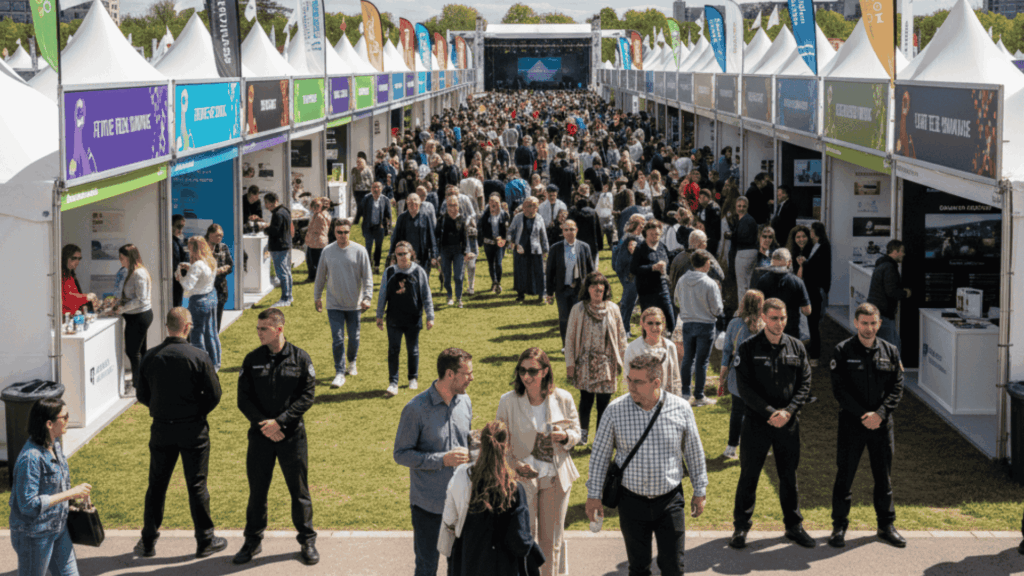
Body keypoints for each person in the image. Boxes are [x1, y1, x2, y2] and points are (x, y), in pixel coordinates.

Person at [585, 353, 708, 576]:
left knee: (674, 567)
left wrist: (700, 491)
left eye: (638, 382)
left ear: (656, 383)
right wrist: (594, 496)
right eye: (629, 380)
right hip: (631, 502)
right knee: (639, 568)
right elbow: (600, 456)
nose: (631, 386)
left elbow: (694, 452)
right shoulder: (615, 411)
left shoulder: (680, 409)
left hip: (670, 501)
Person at [135, 307, 226, 559]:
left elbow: (142, 395)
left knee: (157, 485)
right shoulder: (198, 356)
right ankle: (205, 541)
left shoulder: (150, 356)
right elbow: (215, 395)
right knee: (197, 485)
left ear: (167, 326)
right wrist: (197, 412)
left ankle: (148, 542)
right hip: (192, 429)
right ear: (187, 326)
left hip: (162, 429)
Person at [235, 308, 318, 565]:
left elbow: (307, 396)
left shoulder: (300, 359)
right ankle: (252, 541)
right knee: (257, 492)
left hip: (292, 437)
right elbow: (243, 400)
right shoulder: (251, 360)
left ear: (279, 329)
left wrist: (280, 422)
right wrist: (265, 425)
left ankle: (307, 541)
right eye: (258, 328)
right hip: (261, 437)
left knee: (299, 492)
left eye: (264, 329)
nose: (258, 333)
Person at [730, 298, 815, 550]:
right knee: (749, 475)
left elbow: (805, 384)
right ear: (764, 318)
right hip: (757, 423)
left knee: (789, 476)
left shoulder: (797, 347)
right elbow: (744, 388)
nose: (780, 323)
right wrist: (770, 412)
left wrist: (788, 412)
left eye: (783, 318)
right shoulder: (748, 347)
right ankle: (741, 528)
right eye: (775, 318)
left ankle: (793, 526)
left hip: (788, 424)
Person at [495, 348, 581, 576]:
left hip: (556, 477)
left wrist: (564, 437)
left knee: (551, 539)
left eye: (532, 371)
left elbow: (576, 433)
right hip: (523, 479)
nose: (526, 376)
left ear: (545, 371)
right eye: (522, 370)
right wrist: (515, 466)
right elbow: (500, 443)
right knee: (524, 538)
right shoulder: (508, 401)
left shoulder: (563, 398)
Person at [828, 303, 907, 549]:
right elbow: (839, 390)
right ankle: (839, 526)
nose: (869, 328)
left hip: (882, 426)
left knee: (883, 477)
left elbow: (897, 387)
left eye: (873, 323)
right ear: (855, 323)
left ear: (880, 324)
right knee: (845, 476)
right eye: (864, 323)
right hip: (853, 424)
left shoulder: (891, 351)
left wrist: (880, 414)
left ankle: (886, 526)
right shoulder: (842, 351)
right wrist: (864, 415)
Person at [393, 348, 474, 576]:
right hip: (428, 507)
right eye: (467, 373)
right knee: (427, 567)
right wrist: (442, 460)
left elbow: (465, 443)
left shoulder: (465, 402)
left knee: (458, 567)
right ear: (450, 374)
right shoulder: (415, 409)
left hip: (460, 504)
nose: (471, 378)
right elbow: (401, 454)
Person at [441, 421, 545, 576]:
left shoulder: (464, 484)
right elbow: (519, 540)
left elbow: (451, 527)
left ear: (481, 445)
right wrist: (536, 554)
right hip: (501, 568)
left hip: (468, 566)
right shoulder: (512, 489)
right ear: (507, 446)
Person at [9, 398, 91, 576]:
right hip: (34, 535)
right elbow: (27, 505)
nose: (69, 420)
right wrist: (70, 493)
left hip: (58, 528)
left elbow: (60, 484)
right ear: (49, 423)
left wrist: (72, 500)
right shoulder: (31, 458)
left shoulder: (56, 446)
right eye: (65, 416)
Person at [564, 272, 628, 446]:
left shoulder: (613, 309)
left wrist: (626, 361)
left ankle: (601, 438)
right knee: (586, 400)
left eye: (601, 287)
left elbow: (621, 336)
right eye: (594, 286)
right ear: (588, 289)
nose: (598, 290)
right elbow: (569, 338)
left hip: (607, 363)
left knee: (604, 403)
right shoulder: (578, 309)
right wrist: (570, 364)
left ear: (605, 290)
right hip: (584, 363)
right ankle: (582, 436)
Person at [314, 218, 374, 389]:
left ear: (350, 232)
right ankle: (339, 372)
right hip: (334, 304)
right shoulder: (327, 251)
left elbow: (367, 277)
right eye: (339, 232)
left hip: (355, 304)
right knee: (338, 339)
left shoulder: (360, 251)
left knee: (354, 337)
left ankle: (352, 361)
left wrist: (367, 297)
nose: (342, 235)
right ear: (334, 232)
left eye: (346, 232)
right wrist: (317, 297)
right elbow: (320, 276)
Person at [377, 241, 435, 398]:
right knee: (393, 350)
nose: (402, 257)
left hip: (413, 318)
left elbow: (426, 295)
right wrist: (379, 314)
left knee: (413, 349)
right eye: (399, 254)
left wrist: (430, 316)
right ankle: (393, 382)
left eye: (405, 253)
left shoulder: (419, 272)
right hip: (394, 319)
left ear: (412, 254)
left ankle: (412, 377)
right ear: (395, 256)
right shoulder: (389, 272)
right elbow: (383, 294)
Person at [718, 290, 766, 460]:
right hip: (759, 376)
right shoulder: (765, 326)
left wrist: (721, 378)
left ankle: (731, 447)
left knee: (737, 411)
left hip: (737, 375)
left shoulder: (734, 323)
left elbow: (726, 352)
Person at [676, 249, 724, 406]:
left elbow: (676, 300)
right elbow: (718, 309)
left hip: (688, 323)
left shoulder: (682, 280)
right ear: (707, 263)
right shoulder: (710, 283)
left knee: (687, 359)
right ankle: (699, 396)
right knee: (702, 362)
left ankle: (684, 393)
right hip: (705, 324)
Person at [106, 244, 152, 394]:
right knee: (139, 351)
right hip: (135, 316)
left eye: (122, 258)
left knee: (133, 352)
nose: (120, 261)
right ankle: (144, 383)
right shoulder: (130, 272)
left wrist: (121, 309)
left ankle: (138, 386)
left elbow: (141, 300)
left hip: (139, 316)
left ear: (129, 257)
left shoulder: (139, 273)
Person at [175, 237, 221, 371]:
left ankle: (201, 365)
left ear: (193, 248)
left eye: (189, 247)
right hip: (211, 296)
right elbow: (203, 274)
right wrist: (190, 268)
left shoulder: (197, 265)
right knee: (211, 333)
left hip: (199, 301)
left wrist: (180, 276)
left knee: (197, 335)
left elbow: (188, 285)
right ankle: (215, 362)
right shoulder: (210, 260)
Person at [546, 219, 594, 345]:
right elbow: (550, 271)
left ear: (576, 230)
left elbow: (590, 270)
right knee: (564, 318)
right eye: (566, 230)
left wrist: (592, 289)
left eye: (572, 229)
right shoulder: (555, 248)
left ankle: (580, 343)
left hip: (579, 288)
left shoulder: (584, 247)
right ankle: (566, 344)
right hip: (562, 289)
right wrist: (549, 292)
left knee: (580, 317)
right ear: (562, 231)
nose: (569, 232)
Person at [623, 307, 682, 397]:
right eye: (650, 323)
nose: (654, 327)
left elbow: (675, 378)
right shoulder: (633, 348)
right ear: (642, 324)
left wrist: (677, 401)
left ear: (663, 325)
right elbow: (627, 378)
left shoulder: (670, 346)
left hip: (665, 399)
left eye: (658, 323)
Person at [630, 219, 676, 334]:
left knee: (671, 319)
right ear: (646, 234)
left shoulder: (661, 246)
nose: (655, 236)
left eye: (657, 234)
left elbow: (669, 261)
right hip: (647, 291)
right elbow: (634, 269)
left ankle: (669, 342)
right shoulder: (640, 249)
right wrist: (652, 268)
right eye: (652, 234)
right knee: (649, 321)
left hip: (662, 287)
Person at [755, 248, 812, 340]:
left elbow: (757, 307)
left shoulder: (762, 280)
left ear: (772, 261)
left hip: (769, 331)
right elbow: (807, 311)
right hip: (791, 332)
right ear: (789, 262)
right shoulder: (797, 282)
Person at [867, 240, 910, 355]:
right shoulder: (890, 268)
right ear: (895, 252)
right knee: (892, 347)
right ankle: (893, 371)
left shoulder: (882, 265)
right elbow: (891, 292)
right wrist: (905, 293)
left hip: (877, 311)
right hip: (883, 314)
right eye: (902, 251)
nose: (904, 254)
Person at [434, 194, 477, 308]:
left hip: (458, 251)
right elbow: (436, 236)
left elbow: (465, 238)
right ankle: (449, 296)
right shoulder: (442, 219)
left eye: (455, 205)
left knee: (458, 276)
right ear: (446, 206)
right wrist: (436, 254)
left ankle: (459, 298)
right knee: (447, 276)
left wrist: (466, 252)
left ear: (459, 206)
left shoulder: (462, 219)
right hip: (445, 251)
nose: (453, 208)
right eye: (450, 205)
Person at [800, 222, 832, 366]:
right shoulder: (816, 246)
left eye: (811, 231)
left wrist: (805, 263)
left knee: (813, 323)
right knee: (811, 323)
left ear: (815, 232)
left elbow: (818, 267)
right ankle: (812, 352)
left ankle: (815, 355)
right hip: (813, 288)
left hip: (816, 290)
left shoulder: (823, 246)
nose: (810, 233)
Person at [507, 196, 549, 304]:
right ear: (524, 207)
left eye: (534, 206)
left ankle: (541, 294)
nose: (532, 208)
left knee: (539, 272)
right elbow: (510, 232)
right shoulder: (518, 217)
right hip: (520, 249)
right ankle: (520, 295)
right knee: (520, 272)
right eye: (529, 206)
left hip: (535, 249)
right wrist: (512, 245)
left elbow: (543, 236)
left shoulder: (539, 218)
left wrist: (546, 251)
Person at [390, 192, 437, 280]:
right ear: (407, 204)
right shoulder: (402, 218)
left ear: (419, 203)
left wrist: (434, 255)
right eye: (410, 203)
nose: (413, 204)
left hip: (423, 255)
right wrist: (392, 255)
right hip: (406, 256)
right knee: (408, 280)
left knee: (423, 279)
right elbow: (395, 237)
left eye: (415, 202)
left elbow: (431, 236)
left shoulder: (426, 217)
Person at [258, 193, 293, 307]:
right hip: (285, 244)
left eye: (266, 203)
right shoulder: (284, 210)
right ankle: (289, 296)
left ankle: (285, 298)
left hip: (279, 246)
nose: (266, 205)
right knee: (286, 271)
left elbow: (275, 231)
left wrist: (265, 228)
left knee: (282, 273)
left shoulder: (277, 214)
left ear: (271, 202)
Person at [355, 181, 393, 274]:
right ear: (371, 189)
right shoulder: (366, 198)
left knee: (378, 247)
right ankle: (367, 266)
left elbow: (388, 214)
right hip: (368, 227)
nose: (375, 190)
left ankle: (376, 266)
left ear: (381, 189)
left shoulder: (385, 200)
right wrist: (356, 220)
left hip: (379, 227)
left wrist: (389, 226)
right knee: (368, 247)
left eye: (377, 187)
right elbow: (360, 210)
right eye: (373, 187)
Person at [478, 193, 510, 294]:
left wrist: (504, 239)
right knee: (491, 263)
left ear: (499, 203)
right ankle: (494, 282)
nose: (493, 205)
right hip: (489, 242)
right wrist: (482, 240)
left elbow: (507, 229)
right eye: (491, 203)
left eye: (496, 203)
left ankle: (498, 282)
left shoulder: (504, 214)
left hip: (500, 242)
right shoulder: (486, 215)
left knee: (499, 263)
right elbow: (481, 228)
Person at [728, 197, 759, 303]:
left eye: (743, 206)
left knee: (742, 285)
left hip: (744, 252)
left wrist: (732, 235)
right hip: (748, 252)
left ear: (747, 207)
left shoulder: (747, 220)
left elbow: (743, 238)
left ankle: (743, 309)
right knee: (747, 284)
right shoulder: (745, 219)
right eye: (739, 206)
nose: (741, 208)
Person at [204, 225, 234, 330]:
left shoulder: (223, 247)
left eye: (221, 236)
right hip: (205, 289)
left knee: (217, 319)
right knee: (205, 320)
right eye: (217, 235)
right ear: (209, 234)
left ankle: (215, 339)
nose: (219, 238)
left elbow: (230, 265)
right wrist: (216, 271)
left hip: (220, 288)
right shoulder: (201, 248)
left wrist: (224, 269)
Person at [60, 244, 97, 317]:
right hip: (66, 317)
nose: (77, 261)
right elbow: (67, 298)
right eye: (74, 258)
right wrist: (87, 297)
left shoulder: (70, 274)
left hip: (74, 315)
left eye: (79, 258)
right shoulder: (62, 275)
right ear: (66, 258)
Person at [304, 197, 331, 284]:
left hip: (316, 242)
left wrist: (307, 234)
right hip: (321, 241)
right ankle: (319, 277)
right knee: (319, 261)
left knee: (313, 262)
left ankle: (315, 277)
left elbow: (313, 229)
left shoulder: (319, 216)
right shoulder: (326, 214)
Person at [697, 189, 722, 256]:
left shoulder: (713, 208)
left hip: (711, 239)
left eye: (700, 197)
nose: (699, 199)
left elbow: (713, 226)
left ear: (706, 198)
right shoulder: (703, 207)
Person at [172, 215, 188, 307]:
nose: (181, 230)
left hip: (180, 280)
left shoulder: (180, 240)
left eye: (182, 227)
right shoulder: (170, 241)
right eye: (178, 227)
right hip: (173, 280)